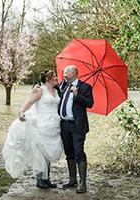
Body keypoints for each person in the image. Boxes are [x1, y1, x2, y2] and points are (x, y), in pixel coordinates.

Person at [2, 70, 63, 189]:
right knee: (40, 152)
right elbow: (30, 102)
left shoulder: (57, 91)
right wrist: (21, 112)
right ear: (47, 78)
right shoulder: (40, 90)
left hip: (54, 124)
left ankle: (47, 179)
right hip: (41, 123)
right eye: (54, 76)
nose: (56, 78)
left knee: (48, 152)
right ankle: (40, 180)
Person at [59, 65, 94, 193]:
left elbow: (90, 103)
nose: (64, 75)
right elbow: (51, 89)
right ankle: (72, 180)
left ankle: (82, 183)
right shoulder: (63, 86)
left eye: (66, 73)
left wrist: (77, 94)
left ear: (73, 73)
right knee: (69, 152)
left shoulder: (85, 87)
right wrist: (38, 86)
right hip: (64, 125)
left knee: (79, 152)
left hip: (77, 125)